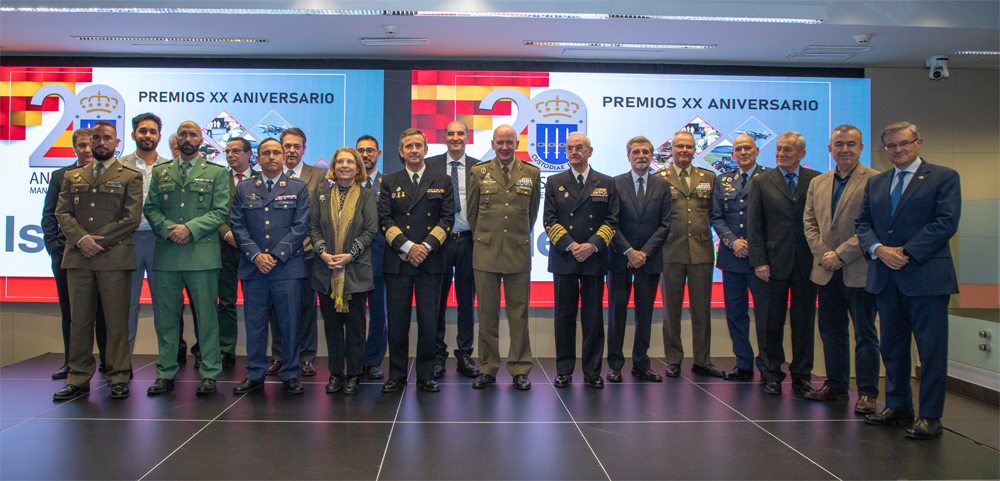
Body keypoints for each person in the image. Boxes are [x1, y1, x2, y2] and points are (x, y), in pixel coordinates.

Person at [856, 122, 961, 440]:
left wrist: (906, 251)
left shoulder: (944, 177)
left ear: (918, 142)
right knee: (893, 348)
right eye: (891, 146)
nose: (898, 150)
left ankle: (931, 416)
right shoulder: (877, 182)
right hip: (886, 277)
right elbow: (863, 223)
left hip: (926, 277)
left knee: (931, 352)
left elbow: (946, 222)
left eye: (904, 143)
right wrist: (878, 249)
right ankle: (899, 407)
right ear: (883, 149)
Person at [52, 121, 143, 400]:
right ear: (89, 142)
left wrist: (96, 242)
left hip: (113, 258)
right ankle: (77, 378)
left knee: (116, 321)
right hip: (79, 258)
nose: (101, 142)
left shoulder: (130, 176)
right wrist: (81, 240)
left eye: (107, 138)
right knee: (79, 321)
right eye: (96, 138)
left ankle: (117, 376)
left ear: (117, 143)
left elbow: (131, 219)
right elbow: (62, 212)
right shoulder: (72, 175)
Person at [144, 121, 230, 395]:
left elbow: (220, 211)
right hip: (168, 255)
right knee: (167, 318)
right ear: (176, 139)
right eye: (183, 134)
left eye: (193, 134)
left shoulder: (216, 173)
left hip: (201, 255)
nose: (188, 138)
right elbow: (151, 208)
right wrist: (168, 230)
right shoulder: (161, 172)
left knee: (206, 317)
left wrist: (189, 229)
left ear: (201, 139)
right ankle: (165, 372)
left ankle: (210, 373)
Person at [802, 125, 880, 413]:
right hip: (826, 270)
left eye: (851, 144)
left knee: (864, 333)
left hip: (858, 270)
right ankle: (835, 385)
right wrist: (826, 255)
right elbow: (809, 224)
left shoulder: (875, 180)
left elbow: (873, 225)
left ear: (860, 147)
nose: (844, 149)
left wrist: (842, 255)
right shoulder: (818, 183)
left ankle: (868, 392)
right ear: (829, 149)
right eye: (839, 144)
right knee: (831, 331)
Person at [230, 138, 310, 395]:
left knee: (289, 325)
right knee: (255, 325)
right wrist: (255, 255)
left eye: (277, 152)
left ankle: (290, 373)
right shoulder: (244, 188)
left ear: (284, 155)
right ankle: (255, 373)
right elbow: (238, 225)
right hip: (254, 269)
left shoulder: (298, 187)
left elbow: (301, 226)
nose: (272, 157)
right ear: (258, 157)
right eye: (266, 153)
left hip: (287, 268)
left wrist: (275, 255)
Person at [378, 128, 455, 393]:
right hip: (398, 262)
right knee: (397, 323)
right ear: (400, 152)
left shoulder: (442, 180)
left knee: (429, 322)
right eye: (408, 146)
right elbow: (385, 220)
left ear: (425, 150)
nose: (413, 150)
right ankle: (397, 375)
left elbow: (447, 220)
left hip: (431, 262)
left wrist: (425, 248)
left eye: (418, 145)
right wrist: (409, 247)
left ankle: (426, 375)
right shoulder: (389, 181)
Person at [467, 124, 541, 391]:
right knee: (487, 314)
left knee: (519, 314)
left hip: (518, 253)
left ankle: (520, 368)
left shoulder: (531, 172)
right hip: (485, 253)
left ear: (517, 144)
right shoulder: (479, 171)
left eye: (510, 142)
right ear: (493, 143)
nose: (505, 147)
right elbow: (472, 214)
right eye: (500, 142)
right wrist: (486, 236)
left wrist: (514, 236)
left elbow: (531, 214)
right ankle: (487, 368)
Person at [747, 131, 820, 396]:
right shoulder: (763, 181)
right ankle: (771, 373)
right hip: (771, 264)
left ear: (801, 154)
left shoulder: (817, 180)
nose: (780, 154)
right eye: (778, 149)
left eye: (787, 150)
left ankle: (802, 375)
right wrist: (759, 261)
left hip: (806, 263)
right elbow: (754, 225)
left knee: (804, 322)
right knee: (769, 322)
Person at [543, 133, 617, 388]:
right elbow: (549, 221)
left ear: (590, 151)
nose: (574, 152)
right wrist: (573, 246)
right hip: (565, 258)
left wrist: (592, 246)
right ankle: (564, 369)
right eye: (570, 148)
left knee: (593, 318)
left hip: (593, 259)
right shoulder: (554, 181)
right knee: (564, 317)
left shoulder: (606, 182)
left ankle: (592, 371)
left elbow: (611, 221)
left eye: (579, 148)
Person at [654, 131, 723, 378]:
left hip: (702, 253)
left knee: (702, 310)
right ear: (671, 149)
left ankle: (702, 360)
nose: (684, 150)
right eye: (680, 146)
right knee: (671, 311)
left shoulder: (709, 177)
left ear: (696, 151)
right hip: (670, 252)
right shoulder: (659, 178)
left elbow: (715, 215)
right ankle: (673, 359)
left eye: (689, 147)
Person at [311, 147, 378, 395]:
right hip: (326, 271)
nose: (345, 166)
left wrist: (350, 255)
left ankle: (353, 375)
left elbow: (371, 231)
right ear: (334, 166)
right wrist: (324, 253)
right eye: (340, 161)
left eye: (350, 161)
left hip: (355, 272)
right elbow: (314, 228)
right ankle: (336, 373)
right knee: (332, 327)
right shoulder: (321, 195)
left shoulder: (367, 195)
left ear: (358, 167)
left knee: (356, 328)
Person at [42, 127, 107, 379]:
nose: (87, 150)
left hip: (102, 253)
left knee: (104, 311)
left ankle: (108, 363)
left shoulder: (111, 174)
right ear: (75, 148)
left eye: (90, 144)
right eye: (81, 145)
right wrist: (54, 249)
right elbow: (50, 216)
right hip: (67, 255)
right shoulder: (61, 176)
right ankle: (72, 363)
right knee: (70, 312)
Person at [606, 135, 670, 383]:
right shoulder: (615, 183)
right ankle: (615, 365)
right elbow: (610, 222)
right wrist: (629, 252)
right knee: (616, 314)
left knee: (645, 314)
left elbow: (665, 225)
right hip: (620, 260)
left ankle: (641, 364)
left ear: (652, 155)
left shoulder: (662, 186)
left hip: (649, 260)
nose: (641, 155)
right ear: (628, 156)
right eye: (636, 152)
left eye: (645, 152)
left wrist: (644, 253)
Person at [268, 127, 326, 377]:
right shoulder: (269, 175)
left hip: (307, 252)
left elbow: (320, 216)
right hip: (276, 255)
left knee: (306, 308)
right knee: (276, 307)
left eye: (296, 146)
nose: (291, 150)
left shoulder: (318, 176)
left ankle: (305, 356)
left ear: (304, 148)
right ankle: (280, 355)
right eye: (287, 146)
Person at [424, 121, 480, 378]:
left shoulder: (480, 167)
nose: (455, 137)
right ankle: (437, 354)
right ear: (444, 137)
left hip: (470, 241)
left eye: (460, 133)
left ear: (468, 138)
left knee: (467, 300)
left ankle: (465, 354)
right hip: (439, 242)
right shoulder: (430, 165)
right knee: (437, 300)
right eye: (450, 133)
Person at [710, 134, 768, 381]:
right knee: (736, 313)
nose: (743, 152)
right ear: (732, 154)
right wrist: (732, 241)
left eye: (747, 148)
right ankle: (743, 364)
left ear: (756, 151)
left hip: (760, 260)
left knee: (765, 316)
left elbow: (773, 220)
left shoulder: (769, 178)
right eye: (738, 149)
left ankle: (768, 367)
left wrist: (752, 246)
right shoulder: (723, 180)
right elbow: (716, 217)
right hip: (732, 258)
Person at [119, 113, 174, 358]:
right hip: (126, 242)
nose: (147, 135)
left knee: (164, 307)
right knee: (125, 308)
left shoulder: (170, 168)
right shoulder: (118, 166)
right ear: (133, 135)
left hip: (159, 242)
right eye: (143, 131)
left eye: (152, 131)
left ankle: (167, 367)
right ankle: (121, 366)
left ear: (159, 137)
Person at [215, 137, 257, 368]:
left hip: (255, 252)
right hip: (226, 249)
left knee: (257, 305)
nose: (230, 155)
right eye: (227, 151)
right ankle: (226, 349)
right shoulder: (219, 179)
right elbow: (213, 211)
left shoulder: (262, 179)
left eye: (236, 151)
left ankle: (258, 351)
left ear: (249, 154)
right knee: (226, 302)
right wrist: (227, 234)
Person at [356, 135, 387, 380]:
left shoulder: (388, 184)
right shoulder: (345, 184)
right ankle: (354, 360)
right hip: (352, 262)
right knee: (353, 315)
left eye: (370, 150)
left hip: (380, 260)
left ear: (378, 153)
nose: (365, 155)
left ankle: (373, 360)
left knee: (379, 315)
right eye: (361, 151)